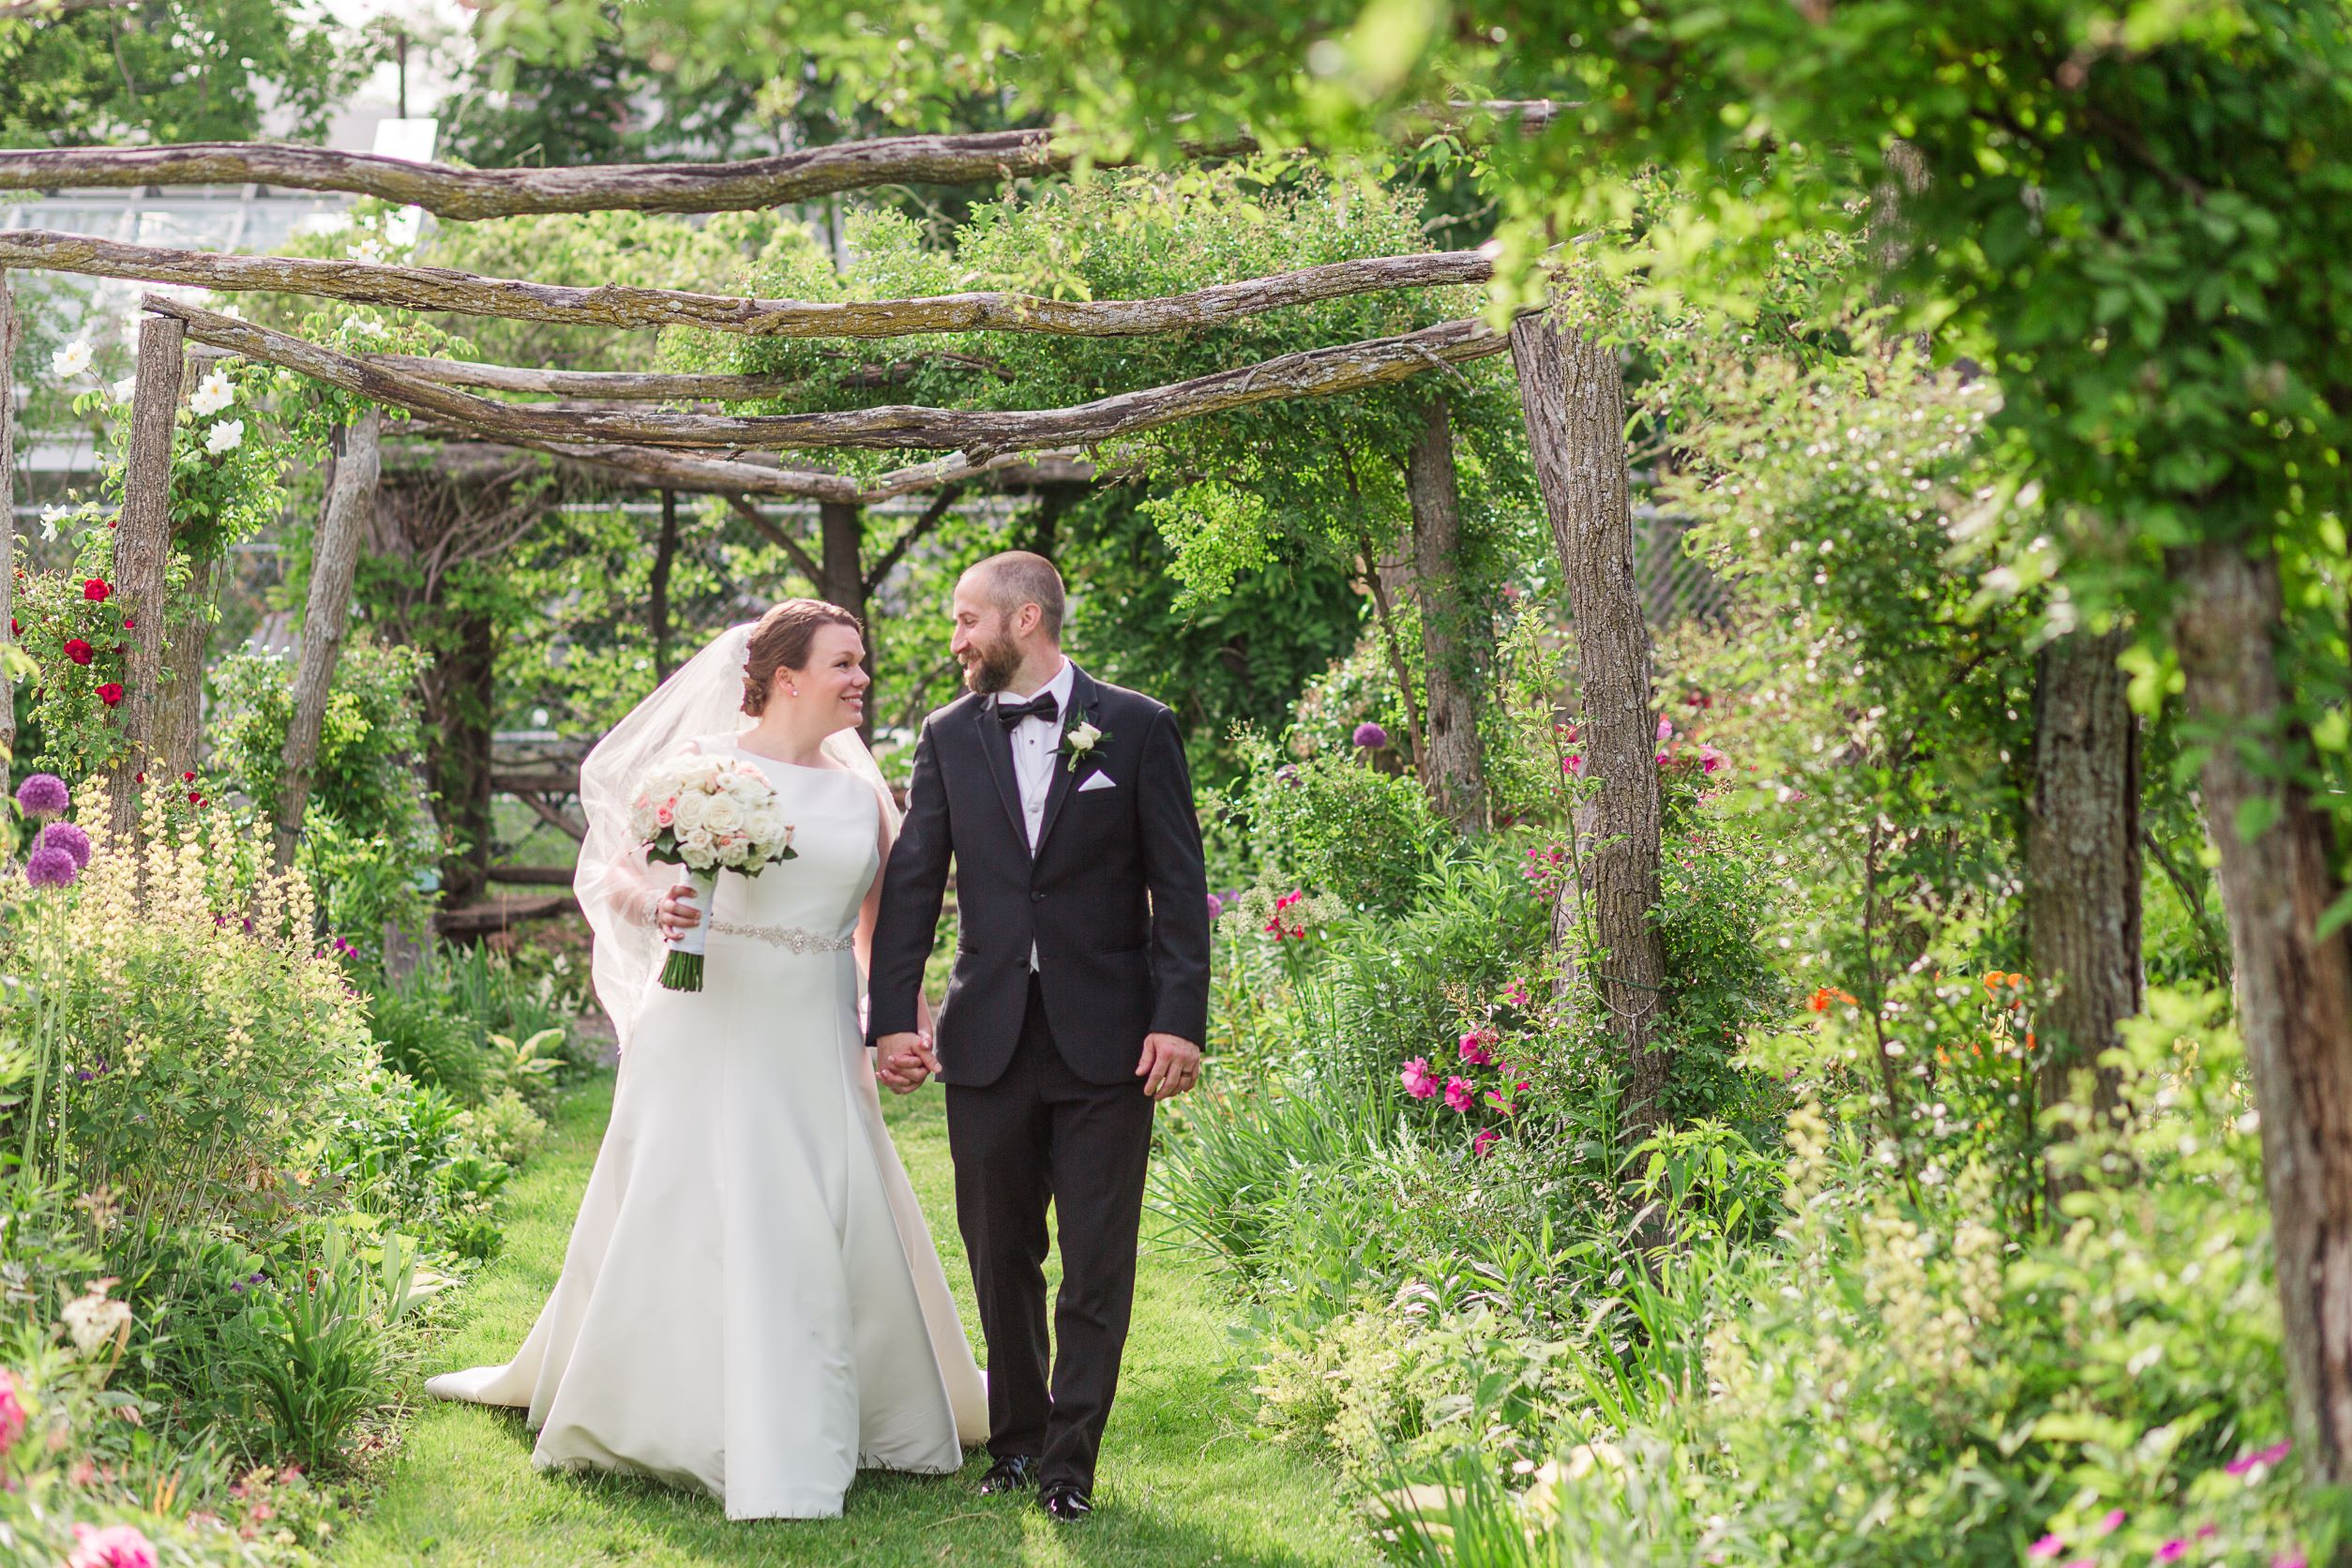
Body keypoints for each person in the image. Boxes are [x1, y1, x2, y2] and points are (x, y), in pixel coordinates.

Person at [424, 601, 988, 1521]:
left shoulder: (859, 795)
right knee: (687, 1197)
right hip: (700, 1014)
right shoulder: (700, 772)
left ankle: (845, 1402)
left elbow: (883, 935)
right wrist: (657, 912)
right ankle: (666, 1404)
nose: (861, 679)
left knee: (817, 1195)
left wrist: (901, 1025)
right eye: (844, 664)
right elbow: (617, 873)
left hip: (806, 1024)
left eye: (862, 664)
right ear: (786, 676)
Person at [867, 551, 1212, 1524]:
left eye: (966, 620)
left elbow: (1181, 891)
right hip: (988, 1040)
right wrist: (894, 1016)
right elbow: (914, 885)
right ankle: (1015, 1443)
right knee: (999, 1251)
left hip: (1110, 1043)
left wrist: (1178, 1020)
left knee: (1098, 1259)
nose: (955, 639)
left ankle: (1071, 1463)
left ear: (1025, 620)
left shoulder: (1138, 728)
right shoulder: (946, 735)